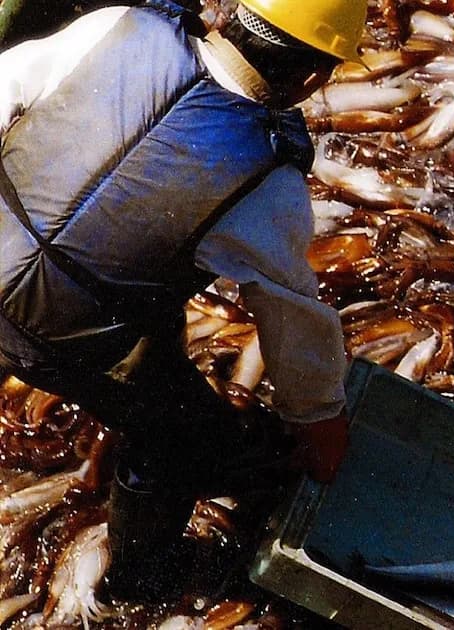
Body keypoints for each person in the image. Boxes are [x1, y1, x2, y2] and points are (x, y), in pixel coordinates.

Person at [0, 0, 365, 600]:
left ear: (233, 15)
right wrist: (319, 422)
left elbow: (9, 85)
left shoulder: (120, 24)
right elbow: (294, 322)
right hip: (52, 338)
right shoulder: (270, 182)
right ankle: (137, 578)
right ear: (312, 77)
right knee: (181, 440)